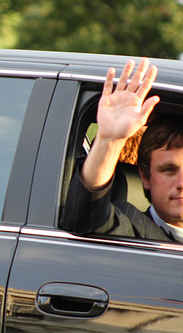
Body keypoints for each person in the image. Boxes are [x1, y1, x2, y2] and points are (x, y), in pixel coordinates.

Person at [61, 58, 183, 242]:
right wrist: (110, 140)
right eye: (169, 170)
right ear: (145, 176)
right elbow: (87, 216)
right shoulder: (131, 227)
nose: (181, 183)